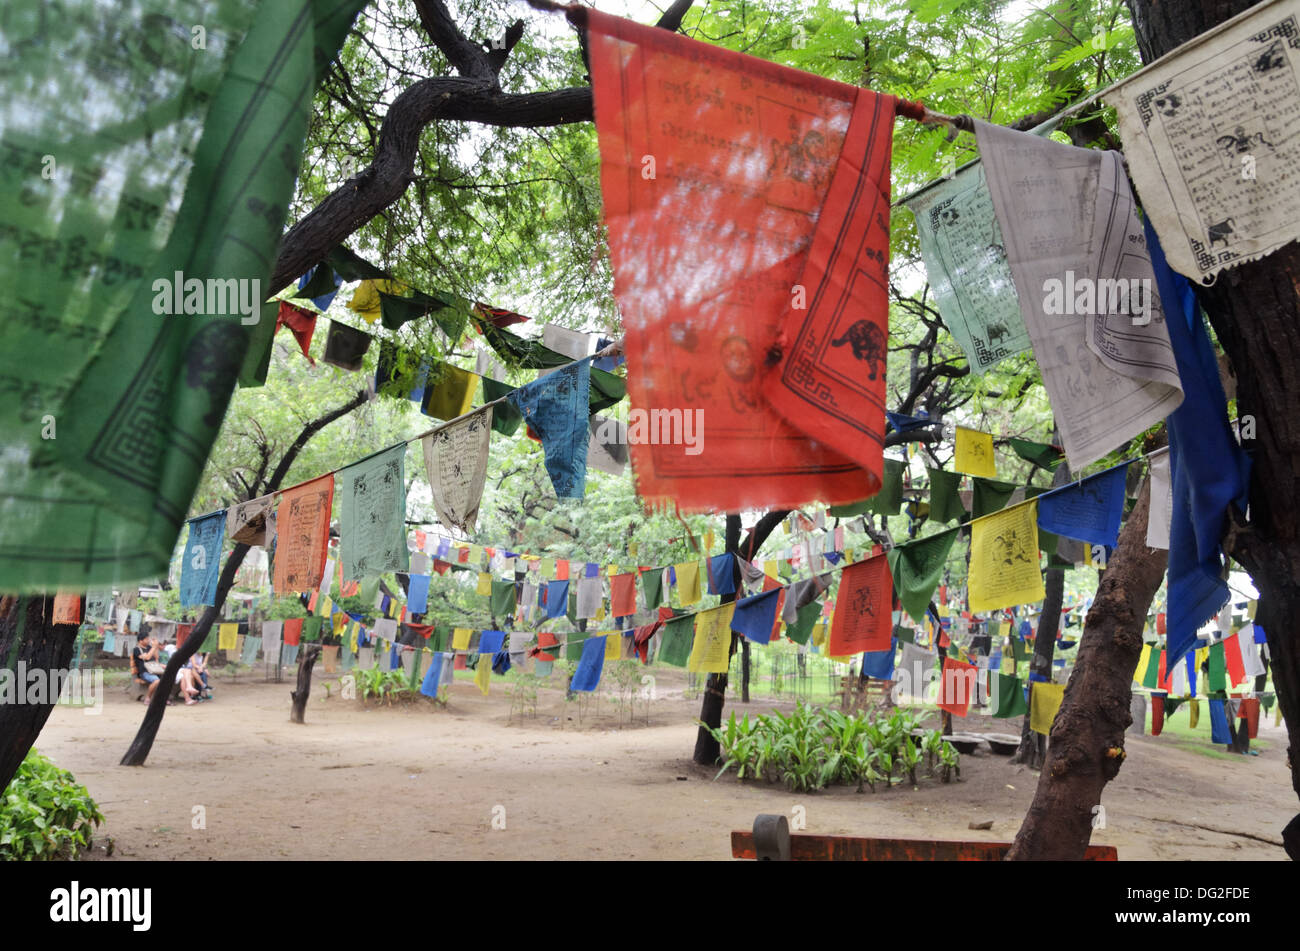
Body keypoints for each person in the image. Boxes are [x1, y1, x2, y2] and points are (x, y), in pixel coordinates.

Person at [131, 632, 161, 702]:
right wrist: (153, 647)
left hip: (154, 670)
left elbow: (156, 657)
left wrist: (155, 647)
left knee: (167, 679)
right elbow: (147, 658)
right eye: (146, 639)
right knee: (156, 681)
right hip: (144, 672)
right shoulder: (136, 649)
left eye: (148, 639)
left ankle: (163, 698)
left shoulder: (149, 647)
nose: (148, 640)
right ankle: (148, 698)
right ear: (140, 641)